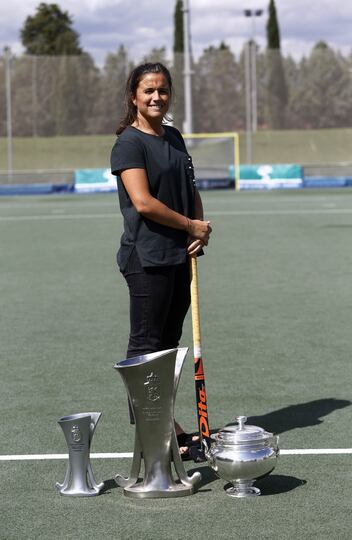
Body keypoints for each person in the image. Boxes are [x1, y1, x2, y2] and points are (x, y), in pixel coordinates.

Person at [110, 62, 212, 458]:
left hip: (179, 259)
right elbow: (143, 202)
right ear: (134, 95)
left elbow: (189, 187)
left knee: (168, 348)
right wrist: (189, 223)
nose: (157, 97)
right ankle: (154, 434)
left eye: (163, 90)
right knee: (146, 347)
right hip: (147, 258)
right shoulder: (128, 143)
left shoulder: (173, 136)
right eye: (149, 90)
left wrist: (197, 228)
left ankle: (168, 427)